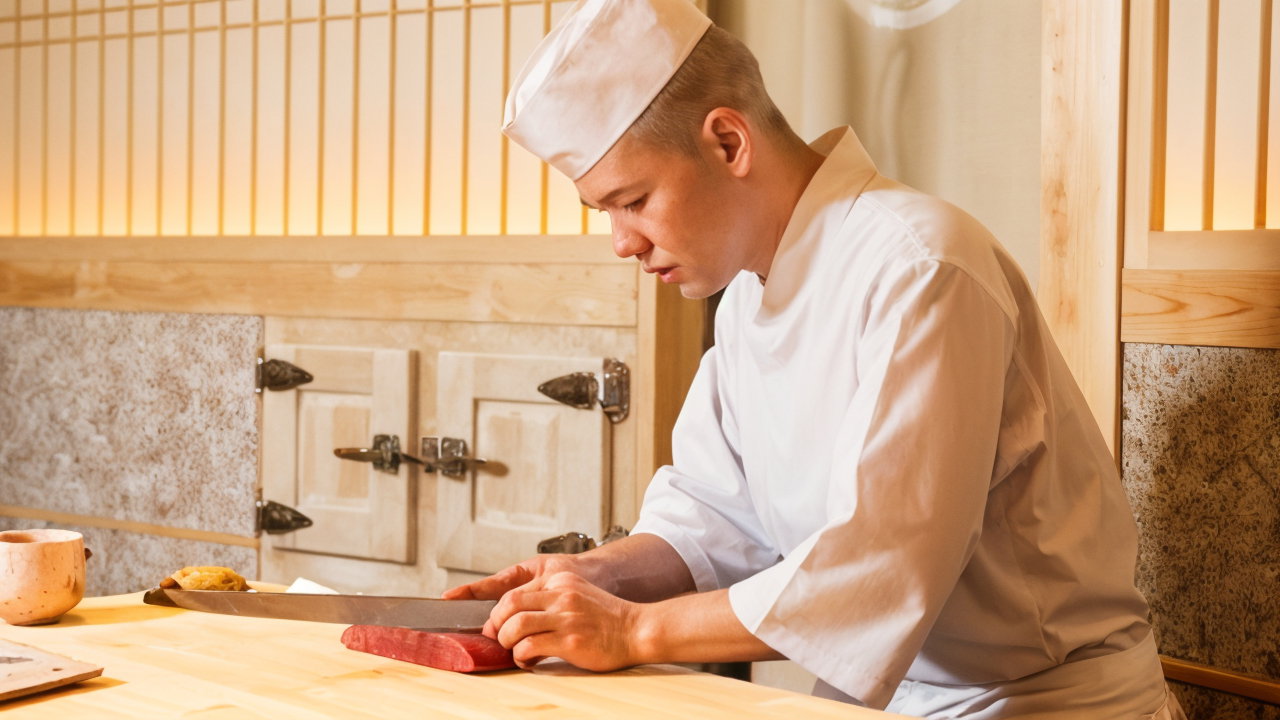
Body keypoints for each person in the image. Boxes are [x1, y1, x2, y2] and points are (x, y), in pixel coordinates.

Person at [444, 1, 1185, 717]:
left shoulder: (921, 266)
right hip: (882, 704)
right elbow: (714, 513)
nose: (621, 241)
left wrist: (632, 629)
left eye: (632, 200)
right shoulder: (744, 300)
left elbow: (881, 566)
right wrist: (593, 577)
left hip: (1043, 704)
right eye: (604, 211)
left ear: (728, 142)